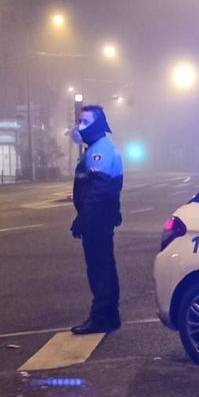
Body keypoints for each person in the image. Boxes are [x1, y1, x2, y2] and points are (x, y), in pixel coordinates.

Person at [68, 103, 123, 334]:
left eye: (85, 122)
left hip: (97, 221)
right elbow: (111, 187)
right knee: (104, 267)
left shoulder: (99, 150)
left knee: (99, 269)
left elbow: (100, 189)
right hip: (100, 218)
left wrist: (84, 219)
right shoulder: (98, 148)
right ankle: (110, 316)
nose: (79, 126)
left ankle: (101, 317)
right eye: (79, 121)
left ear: (98, 124)